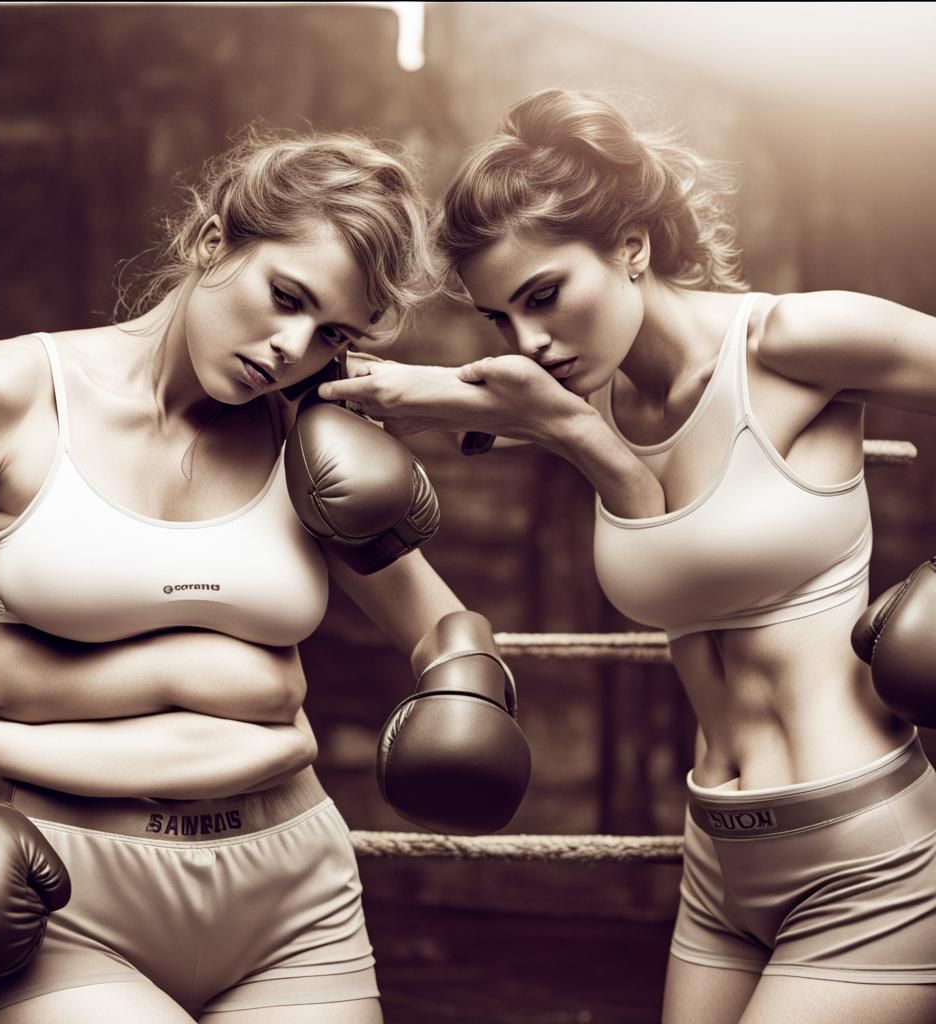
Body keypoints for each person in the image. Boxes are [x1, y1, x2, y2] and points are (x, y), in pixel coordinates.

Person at [319, 88, 936, 1024]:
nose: (530, 343)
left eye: (545, 296)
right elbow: (450, 396)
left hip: (867, 854)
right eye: (500, 319)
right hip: (719, 863)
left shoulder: (793, 343)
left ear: (634, 248)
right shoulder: (583, 395)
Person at [0, 126, 527, 1024]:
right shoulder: (5, 394)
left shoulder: (312, 443)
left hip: (291, 895)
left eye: (330, 335)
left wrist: (467, 688)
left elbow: (442, 627)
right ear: (211, 241)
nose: (291, 347)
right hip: (55, 890)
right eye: (286, 296)